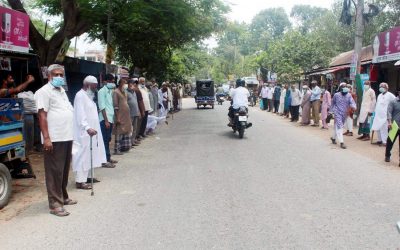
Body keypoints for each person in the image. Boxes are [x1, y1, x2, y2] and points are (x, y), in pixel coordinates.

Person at [34, 64, 76, 217]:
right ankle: (54, 204)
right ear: (49, 75)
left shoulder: (62, 91)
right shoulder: (43, 92)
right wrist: (46, 138)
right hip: (54, 138)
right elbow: (42, 115)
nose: (59, 77)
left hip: (66, 135)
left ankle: (63, 196)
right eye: (56, 74)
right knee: (54, 171)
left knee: (64, 169)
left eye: (61, 75)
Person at [72, 76, 106, 190]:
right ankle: (80, 181)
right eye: (94, 86)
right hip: (84, 132)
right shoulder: (80, 96)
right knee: (82, 155)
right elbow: (80, 114)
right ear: (87, 85)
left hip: (92, 130)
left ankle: (88, 177)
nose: (96, 88)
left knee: (91, 154)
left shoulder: (89, 96)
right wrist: (87, 127)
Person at [98, 74, 117, 168]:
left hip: (110, 118)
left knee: (108, 139)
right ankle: (104, 160)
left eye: (113, 81)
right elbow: (102, 107)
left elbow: (110, 107)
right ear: (105, 81)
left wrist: (111, 120)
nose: (112, 83)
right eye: (110, 81)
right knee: (104, 140)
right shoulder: (101, 91)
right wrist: (106, 120)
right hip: (104, 119)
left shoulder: (110, 91)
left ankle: (108, 158)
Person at [330, 83, 357, 149]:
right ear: (340, 88)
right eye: (343, 87)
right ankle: (341, 142)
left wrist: (354, 107)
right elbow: (332, 103)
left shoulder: (349, 95)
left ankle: (333, 138)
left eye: (345, 87)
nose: (345, 88)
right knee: (340, 126)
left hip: (344, 113)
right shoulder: (336, 95)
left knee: (337, 126)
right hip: (337, 112)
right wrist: (330, 111)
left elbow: (352, 102)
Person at [113, 79, 133, 153]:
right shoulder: (116, 92)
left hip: (126, 116)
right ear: (120, 83)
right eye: (124, 83)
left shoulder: (124, 92)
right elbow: (115, 106)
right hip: (120, 115)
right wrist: (117, 117)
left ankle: (124, 147)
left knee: (126, 130)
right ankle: (117, 149)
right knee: (119, 131)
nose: (125, 84)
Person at [385, 89, 400, 163]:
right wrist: (389, 122)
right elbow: (389, 112)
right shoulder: (393, 102)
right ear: (398, 92)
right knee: (390, 141)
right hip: (394, 125)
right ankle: (387, 155)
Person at [127, 80, 141, 147]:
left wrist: (138, 112)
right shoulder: (126, 92)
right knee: (129, 129)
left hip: (135, 113)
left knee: (135, 129)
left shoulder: (134, 92)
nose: (132, 85)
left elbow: (136, 103)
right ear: (128, 84)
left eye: (133, 84)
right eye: (131, 84)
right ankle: (128, 142)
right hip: (129, 114)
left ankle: (132, 141)